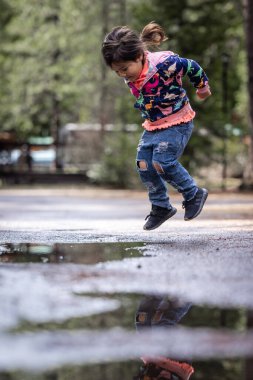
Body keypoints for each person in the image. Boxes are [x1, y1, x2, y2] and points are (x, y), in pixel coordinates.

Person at [101, 22, 211, 230]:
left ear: (139, 56)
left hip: (178, 121)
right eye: (117, 72)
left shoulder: (164, 63)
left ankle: (193, 193)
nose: (123, 75)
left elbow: (191, 66)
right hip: (155, 125)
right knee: (143, 163)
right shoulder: (132, 72)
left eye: (125, 69)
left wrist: (202, 87)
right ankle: (161, 206)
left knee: (162, 162)